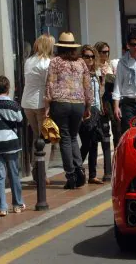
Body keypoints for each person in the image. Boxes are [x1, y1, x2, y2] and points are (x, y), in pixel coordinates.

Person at [45, 32, 92, 189]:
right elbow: (87, 86)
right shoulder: (81, 63)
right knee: (73, 137)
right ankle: (79, 169)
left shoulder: (55, 62)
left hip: (60, 102)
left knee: (65, 138)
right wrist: (88, 105)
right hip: (78, 103)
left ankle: (71, 175)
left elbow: (50, 84)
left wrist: (47, 106)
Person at [0, 76, 25, 216]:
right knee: (14, 174)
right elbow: (20, 121)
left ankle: (2, 207)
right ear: (8, 89)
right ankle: (17, 204)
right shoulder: (14, 106)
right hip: (12, 144)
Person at [20, 34, 55, 185]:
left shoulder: (29, 61)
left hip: (27, 101)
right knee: (46, 139)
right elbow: (49, 86)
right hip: (41, 103)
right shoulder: (47, 63)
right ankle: (41, 172)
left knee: (37, 136)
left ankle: (36, 168)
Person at [78, 45, 106, 184]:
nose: (89, 59)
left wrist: (103, 81)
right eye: (86, 56)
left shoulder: (96, 72)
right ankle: (76, 168)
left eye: (92, 56)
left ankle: (92, 175)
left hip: (96, 109)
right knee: (87, 143)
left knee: (94, 143)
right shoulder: (79, 72)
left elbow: (100, 93)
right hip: (85, 110)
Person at [95, 41, 117, 179]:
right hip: (102, 100)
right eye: (103, 52)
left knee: (116, 132)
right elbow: (98, 89)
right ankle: (106, 171)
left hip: (111, 100)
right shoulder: (96, 67)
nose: (106, 54)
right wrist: (102, 80)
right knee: (104, 134)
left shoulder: (110, 65)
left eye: (108, 51)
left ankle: (114, 168)